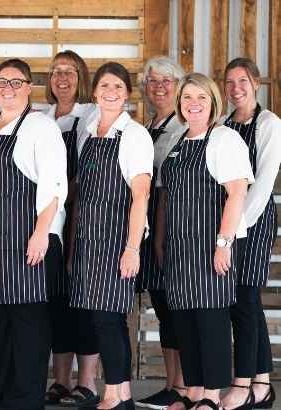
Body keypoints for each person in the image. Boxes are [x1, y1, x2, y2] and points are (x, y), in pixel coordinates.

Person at [0, 58, 67, 410]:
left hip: (27, 239)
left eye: (16, 82)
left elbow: (54, 186)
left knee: (28, 325)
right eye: (3, 82)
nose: (8, 89)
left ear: (29, 88)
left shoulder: (41, 127)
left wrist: (41, 234)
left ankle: (24, 399)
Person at [154, 72, 252, 410]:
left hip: (210, 246)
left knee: (210, 322)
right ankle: (194, 390)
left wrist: (224, 243)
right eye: (187, 98)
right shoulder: (180, 142)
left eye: (201, 98)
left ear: (213, 102)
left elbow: (237, 192)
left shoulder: (224, 139)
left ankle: (212, 395)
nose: (193, 104)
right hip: (181, 249)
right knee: (185, 322)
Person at [67, 62, 154, 410]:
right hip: (89, 240)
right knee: (102, 318)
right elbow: (81, 195)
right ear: (95, 91)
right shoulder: (89, 130)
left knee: (108, 318)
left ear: (128, 94)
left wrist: (132, 247)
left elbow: (141, 195)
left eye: (118, 86)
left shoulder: (133, 135)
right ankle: (121, 395)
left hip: (117, 240)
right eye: (105, 85)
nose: (111, 92)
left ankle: (115, 393)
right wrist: (75, 248)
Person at [220, 57, 281, 410]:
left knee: (243, 298)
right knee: (247, 302)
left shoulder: (269, 123)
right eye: (229, 82)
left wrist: (234, 230)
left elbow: (262, 184)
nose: (235, 88)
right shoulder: (225, 125)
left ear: (256, 83)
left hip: (253, 220)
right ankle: (262, 382)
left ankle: (242, 384)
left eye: (242, 81)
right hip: (230, 223)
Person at [41, 49, 101, 408]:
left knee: (85, 302)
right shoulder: (42, 117)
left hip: (83, 218)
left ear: (82, 78)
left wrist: (63, 192)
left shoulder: (91, 115)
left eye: (70, 72)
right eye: (55, 72)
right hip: (52, 221)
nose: (62, 79)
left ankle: (87, 382)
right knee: (58, 304)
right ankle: (61, 381)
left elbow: (89, 170)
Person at [133, 56, 190, 410]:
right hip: (148, 222)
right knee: (163, 308)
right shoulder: (145, 125)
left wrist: (161, 237)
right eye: (152, 81)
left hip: (174, 227)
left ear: (179, 85)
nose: (159, 87)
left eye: (167, 81)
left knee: (177, 307)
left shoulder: (185, 127)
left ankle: (184, 384)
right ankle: (172, 383)